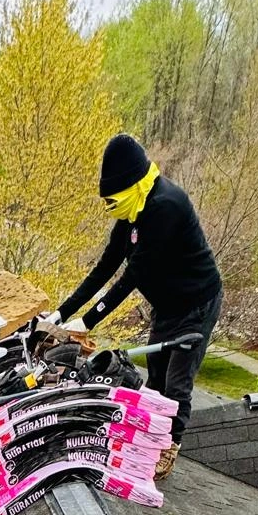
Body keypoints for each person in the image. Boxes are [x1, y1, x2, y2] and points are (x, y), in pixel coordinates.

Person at [49, 134, 222, 479]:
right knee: (155, 375)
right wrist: (62, 313)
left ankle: (167, 448)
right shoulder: (131, 211)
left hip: (197, 304)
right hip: (168, 307)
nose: (110, 207)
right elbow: (105, 267)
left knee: (176, 382)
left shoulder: (165, 206)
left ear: (129, 186)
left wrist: (89, 321)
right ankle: (149, 436)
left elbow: (132, 276)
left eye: (112, 200)